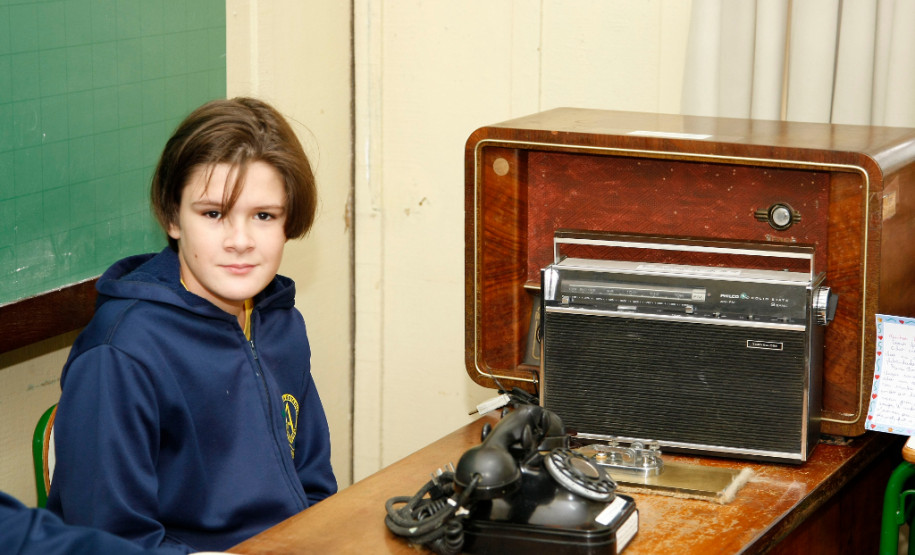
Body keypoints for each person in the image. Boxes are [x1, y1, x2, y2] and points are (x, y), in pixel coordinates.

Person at [47, 97, 337, 553]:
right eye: (213, 214)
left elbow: (314, 487)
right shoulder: (121, 354)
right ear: (171, 216)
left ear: (288, 221)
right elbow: (109, 541)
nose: (240, 241)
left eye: (263, 216)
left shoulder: (281, 323)